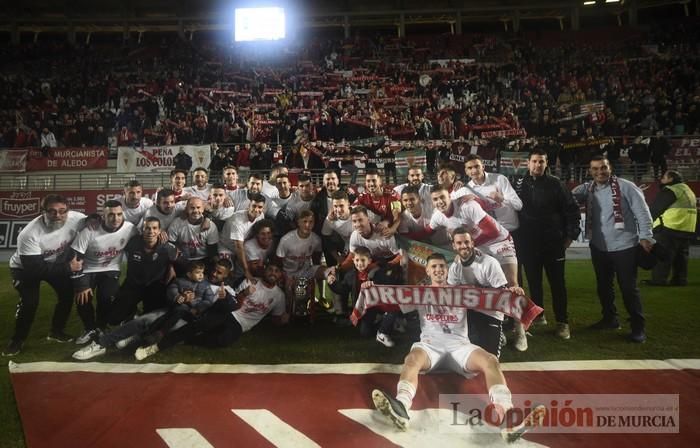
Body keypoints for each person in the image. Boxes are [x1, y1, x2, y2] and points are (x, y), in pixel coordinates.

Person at [370, 252, 544, 442]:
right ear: (427, 270)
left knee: (490, 361)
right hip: (430, 345)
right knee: (411, 359)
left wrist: (512, 294)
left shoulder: (462, 292)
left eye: (442, 266)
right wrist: (370, 288)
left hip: (459, 345)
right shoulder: (418, 292)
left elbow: (494, 299)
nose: (438, 270)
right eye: (434, 267)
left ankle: (508, 417)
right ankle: (401, 408)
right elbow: (390, 305)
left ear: (447, 270)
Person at [73, 259, 234, 361]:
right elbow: (174, 286)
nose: (213, 273)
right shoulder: (196, 276)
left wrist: (211, 301)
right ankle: (101, 344)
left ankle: (134, 337)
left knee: (156, 329)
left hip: (188, 320)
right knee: (144, 320)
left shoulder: (226, 290)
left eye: (219, 273)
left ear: (226, 275)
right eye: (213, 269)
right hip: (172, 309)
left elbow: (229, 307)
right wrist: (178, 296)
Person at [572, 155, 655, 343]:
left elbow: (642, 211)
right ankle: (610, 319)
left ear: (610, 168)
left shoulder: (626, 186)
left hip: (625, 245)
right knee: (603, 287)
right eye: (595, 169)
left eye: (603, 168)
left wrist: (646, 236)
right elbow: (569, 198)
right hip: (599, 246)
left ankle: (638, 326)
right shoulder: (588, 189)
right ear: (590, 171)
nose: (600, 172)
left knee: (628, 288)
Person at [134, 262, 288, 360]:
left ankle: (186, 339)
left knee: (222, 341)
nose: (273, 273)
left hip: (241, 325)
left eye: (277, 271)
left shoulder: (279, 296)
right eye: (271, 269)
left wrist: (283, 319)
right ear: (265, 270)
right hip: (229, 312)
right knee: (199, 325)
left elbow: (275, 320)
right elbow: (235, 303)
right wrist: (244, 294)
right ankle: (154, 348)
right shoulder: (250, 281)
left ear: (280, 275)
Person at [3, 195, 86, 356]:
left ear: (68, 210)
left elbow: (93, 223)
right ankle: (17, 340)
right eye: (52, 212)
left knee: (67, 294)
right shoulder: (28, 234)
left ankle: (56, 331)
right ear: (43, 212)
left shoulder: (77, 218)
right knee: (30, 302)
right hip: (25, 269)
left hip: (55, 264)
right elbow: (36, 270)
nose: (58, 215)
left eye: (63, 211)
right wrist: (69, 267)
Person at [515, 149, 581, 340]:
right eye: (534, 161)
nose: (538, 165)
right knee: (534, 283)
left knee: (558, 284)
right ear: (528, 163)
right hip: (528, 244)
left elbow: (572, 211)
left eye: (541, 162)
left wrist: (569, 237)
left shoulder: (556, 185)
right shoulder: (519, 184)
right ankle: (538, 316)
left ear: (546, 164)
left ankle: (562, 322)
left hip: (553, 244)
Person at [70, 200, 136, 344]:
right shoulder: (90, 230)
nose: (116, 218)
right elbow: (75, 258)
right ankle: (89, 328)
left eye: (119, 214)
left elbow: (144, 238)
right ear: (103, 216)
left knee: (106, 298)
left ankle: (101, 327)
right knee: (83, 298)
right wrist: (81, 284)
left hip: (111, 269)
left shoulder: (130, 228)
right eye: (111, 215)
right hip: (87, 269)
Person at [448, 228, 509, 358]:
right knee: (460, 356)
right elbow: (451, 295)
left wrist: (474, 291)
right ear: (454, 246)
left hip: (490, 314)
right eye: (459, 243)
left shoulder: (489, 263)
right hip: (467, 313)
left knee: (490, 358)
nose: (463, 246)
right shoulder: (454, 267)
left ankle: (497, 331)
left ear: (473, 243)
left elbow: (503, 294)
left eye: (466, 242)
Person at [107, 217, 179, 325]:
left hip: (155, 287)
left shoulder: (168, 248)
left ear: (160, 231)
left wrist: (171, 267)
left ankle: (139, 318)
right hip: (133, 285)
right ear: (142, 229)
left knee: (151, 321)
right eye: (147, 228)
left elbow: (181, 262)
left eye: (154, 228)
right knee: (114, 319)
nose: (151, 231)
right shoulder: (132, 242)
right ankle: (131, 313)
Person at [328, 246, 399, 346]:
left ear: (369, 261)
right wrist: (332, 282)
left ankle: (384, 330)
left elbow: (388, 284)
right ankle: (383, 323)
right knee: (365, 333)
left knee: (393, 310)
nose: (360, 263)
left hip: (378, 305)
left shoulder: (377, 272)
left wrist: (374, 283)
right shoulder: (351, 275)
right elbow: (342, 290)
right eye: (357, 260)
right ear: (353, 260)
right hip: (365, 309)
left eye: (363, 260)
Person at [647, 170, 697, 286]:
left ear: (671, 179)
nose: (661, 180)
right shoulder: (687, 190)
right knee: (681, 257)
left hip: (669, 227)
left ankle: (659, 280)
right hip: (686, 228)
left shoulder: (671, 190)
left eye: (664, 177)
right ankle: (680, 280)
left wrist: (647, 224)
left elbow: (656, 209)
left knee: (663, 255)